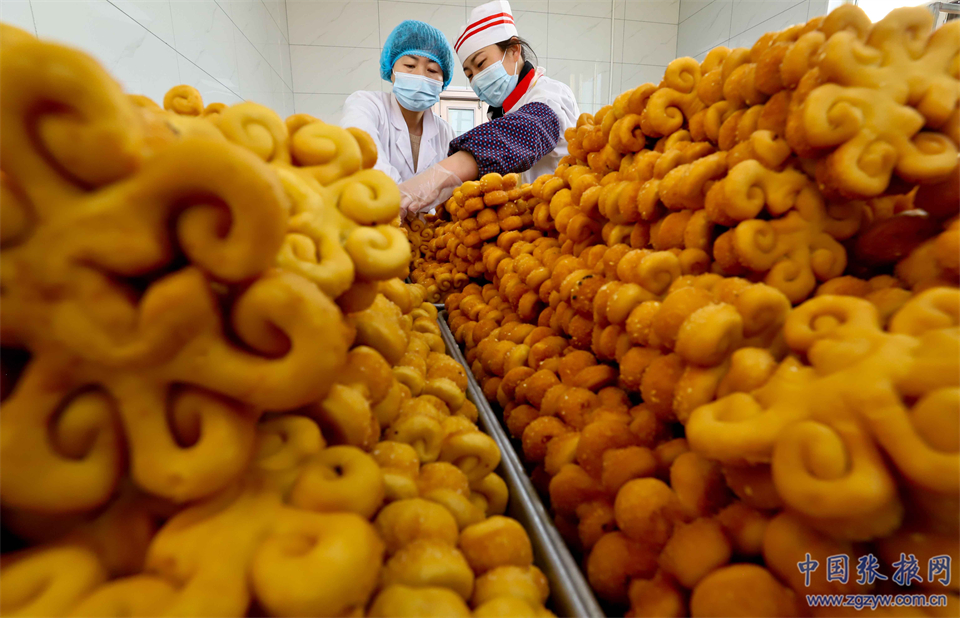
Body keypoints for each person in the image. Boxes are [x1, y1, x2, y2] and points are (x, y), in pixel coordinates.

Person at [397, 0, 580, 216]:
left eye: (481, 64)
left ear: (514, 50)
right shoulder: (507, 110)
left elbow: (525, 131)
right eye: (469, 74)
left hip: (563, 219)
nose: (477, 79)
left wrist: (435, 177)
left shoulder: (550, 94)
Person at [340, 20, 456, 185]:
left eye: (432, 70)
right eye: (410, 65)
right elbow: (361, 157)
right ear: (391, 70)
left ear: (443, 80)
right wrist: (406, 196)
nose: (420, 75)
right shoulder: (366, 105)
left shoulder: (445, 133)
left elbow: (452, 187)